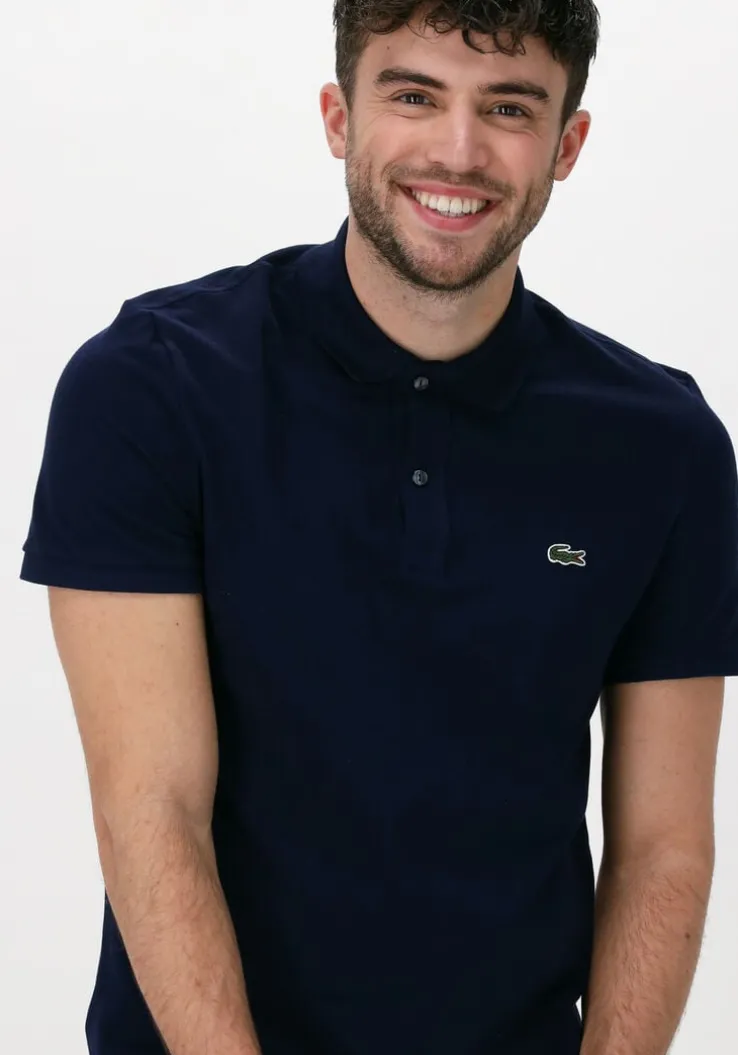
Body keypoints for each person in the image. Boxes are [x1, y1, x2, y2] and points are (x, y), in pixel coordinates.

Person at [19, 2, 738, 1054]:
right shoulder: (150, 388)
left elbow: (664, 846)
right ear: (338, 117)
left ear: (568, 144)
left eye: (509, 108)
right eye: (414, 95)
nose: (459, 150)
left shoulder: (663, 445)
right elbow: (151, 808)